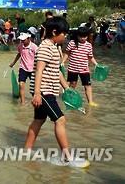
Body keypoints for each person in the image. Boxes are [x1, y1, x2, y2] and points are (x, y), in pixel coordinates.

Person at [25, 17, 84, 166]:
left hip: (47, 90)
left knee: (39, 119)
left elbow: (56, 71)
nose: (65, 37)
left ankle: (26, 151)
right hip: (44, 91)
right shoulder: (45, 46)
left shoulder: (54, 47)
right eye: (64, 34)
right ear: (55, 32)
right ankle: (67, 158)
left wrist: (67, 88)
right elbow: (39, 69)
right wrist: (37, 93)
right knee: (60, 120)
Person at [61, 26, 99, 107]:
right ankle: (70, 100)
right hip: (72, 68)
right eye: (81, 36)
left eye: (85, 36)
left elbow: (90, 57)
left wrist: (96, 64)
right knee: (72, 84)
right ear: (77, 35)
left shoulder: (88, 45)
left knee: (88, 85)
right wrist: (63, 62)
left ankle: (90, 102)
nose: (83, 38)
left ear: (87, 36)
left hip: (84, 69)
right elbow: (67, 53)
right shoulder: (72, 43)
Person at [9, 33, 38, 104]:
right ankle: (23, 103)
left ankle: (35, 100)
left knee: (34, 87)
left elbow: (38, 58)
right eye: (21, 40)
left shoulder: (34, 47)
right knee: (21, 84)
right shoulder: (20, 46)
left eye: (23, 40)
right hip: (23, 68)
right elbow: (19, 54)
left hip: (33, 69)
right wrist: (13, 63)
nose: (22, 42)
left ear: (29, 39)